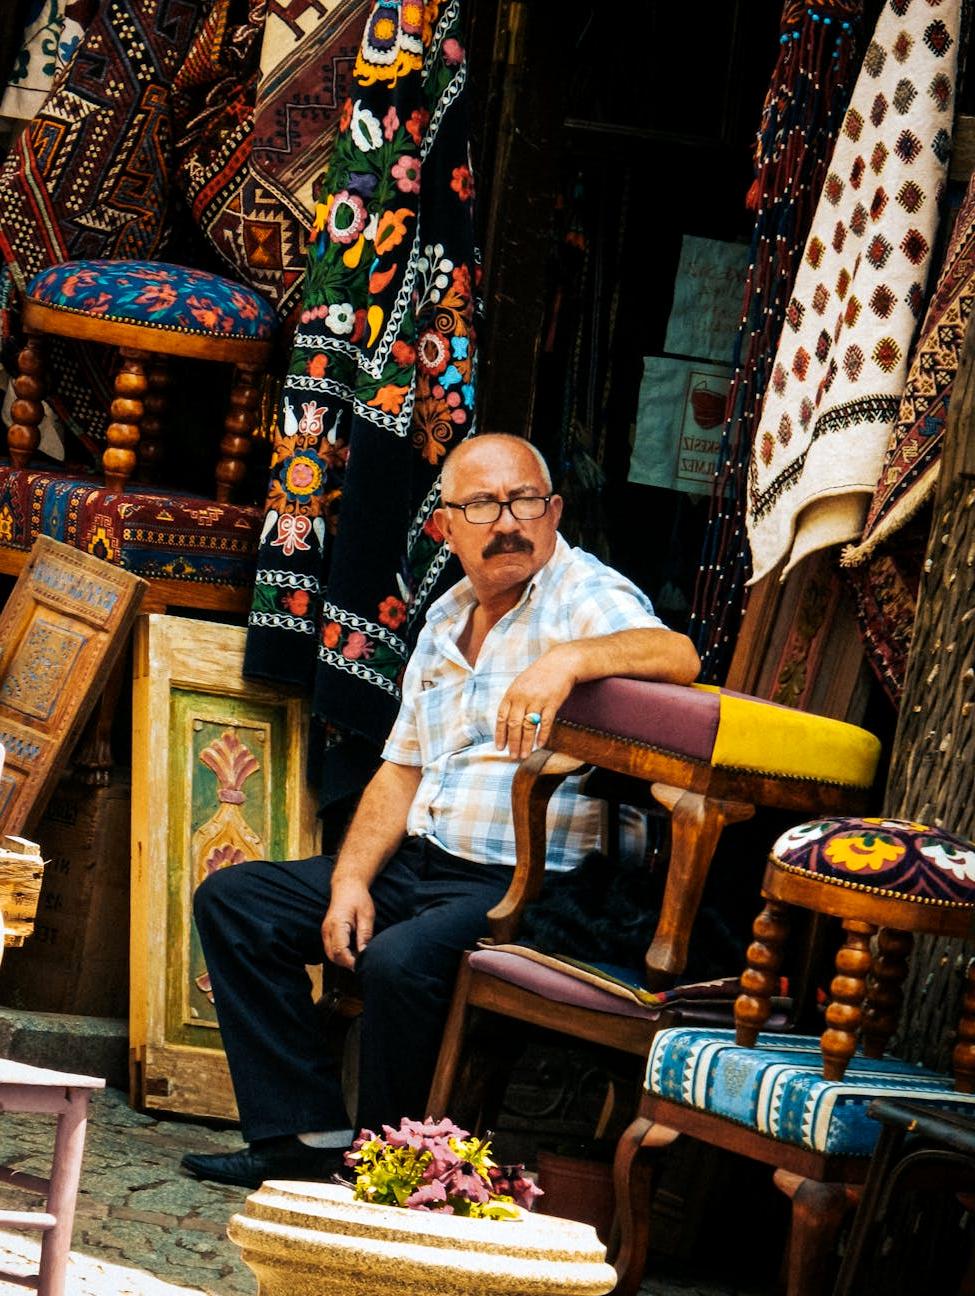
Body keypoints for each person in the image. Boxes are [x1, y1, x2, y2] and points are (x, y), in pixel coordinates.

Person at [181, 433, 700, 1188]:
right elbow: (400, 770)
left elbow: (674, 654)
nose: (507, 522)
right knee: (237, 902)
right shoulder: (446, 617)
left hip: (528, 883)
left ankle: (386, 1171)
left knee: (399, 961)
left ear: (553, 511)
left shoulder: (581, 595)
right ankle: (305, 1135)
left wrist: (567, 661)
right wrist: (352, 881)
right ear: (445, 527)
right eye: (482, 505)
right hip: (422, 864)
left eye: (525, 501)